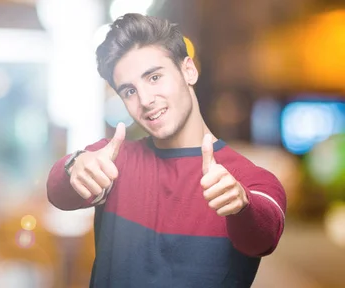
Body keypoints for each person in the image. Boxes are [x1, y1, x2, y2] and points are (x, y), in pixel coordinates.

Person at [46, 14, 286, 287]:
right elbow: (57, 191)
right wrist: (76, 166)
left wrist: (241, 204)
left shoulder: (249, 179)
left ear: (188, 71)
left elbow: (264, 236)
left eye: (155, 77)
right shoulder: (114, 161)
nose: (146, 100)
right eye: (129, 91)